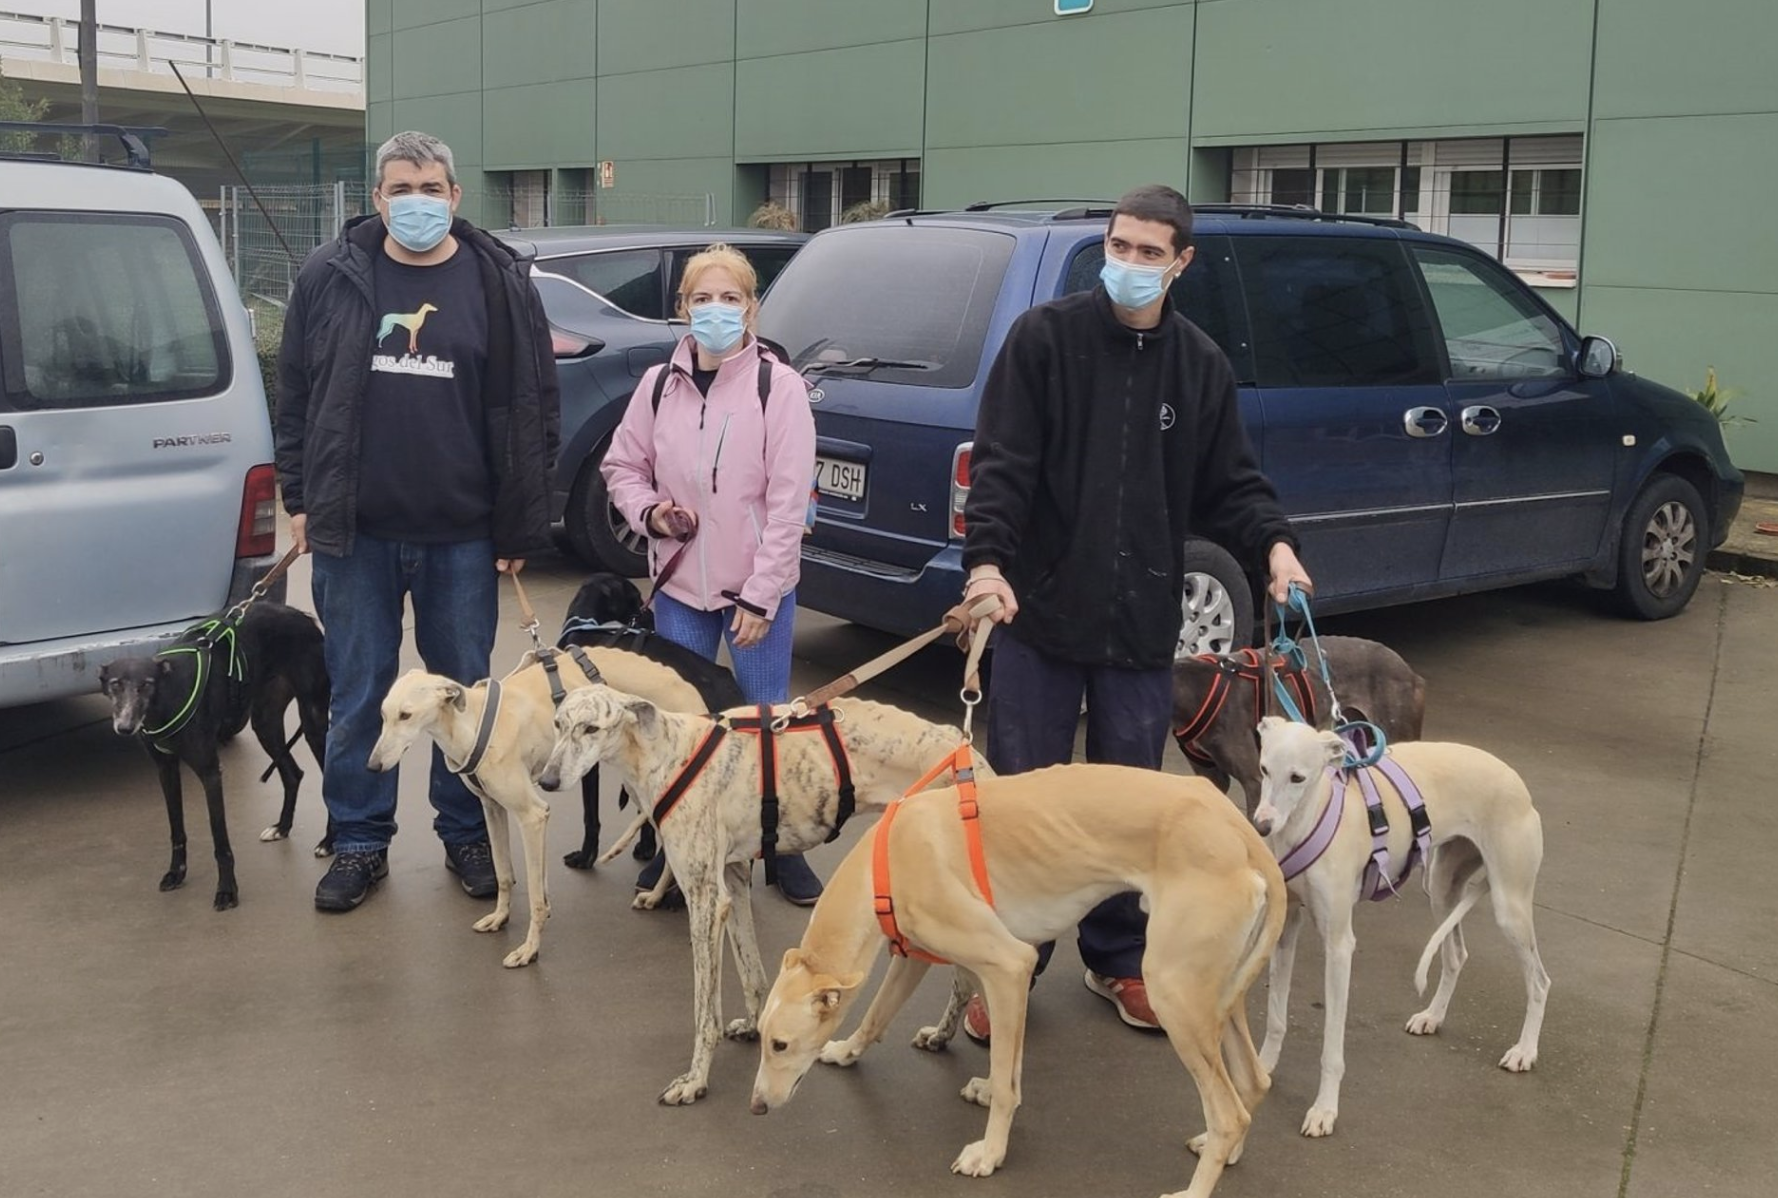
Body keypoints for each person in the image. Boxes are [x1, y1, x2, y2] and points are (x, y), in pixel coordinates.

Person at [958, 184, 1311, 1038]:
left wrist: (1274, 545)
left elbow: (1232, 482)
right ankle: (1009, 961)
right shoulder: (1043, 342)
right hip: (1036, 619)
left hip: (1139, 631)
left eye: (1151, 253)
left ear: (1181, 262)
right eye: (1120, 247)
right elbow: (1003, 466)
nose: (1130, 264)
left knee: (1129, 813)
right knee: (1024, 807)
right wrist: (989, 566)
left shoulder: (1198, 366)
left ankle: (1116, 960)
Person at [275, 131, 560, 912]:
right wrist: (301, 499)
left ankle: (465, 832)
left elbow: (533, 407)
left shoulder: (500, 283)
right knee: (360, 690)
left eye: (432, 188)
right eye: (402, 188)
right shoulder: (330, 278)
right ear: (377, 197)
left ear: (456, 196)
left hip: (462, 537)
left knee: (461, 696)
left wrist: (518, 526)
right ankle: (360, 841)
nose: (418, 202)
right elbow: (295, 396)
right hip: (355, 536)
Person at [601, 244, 823, 905]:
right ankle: (680, 856)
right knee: (681, 727)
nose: (717, 310)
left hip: (757, 591)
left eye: (732, 299)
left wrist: (761, 594)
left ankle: (783, 849)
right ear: (682, 308)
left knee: (763, 724)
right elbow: (621, 467)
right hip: (679, 590)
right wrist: (651, 514)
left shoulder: (775, 386)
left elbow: (789, 501)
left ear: (753, 308)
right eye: (704, 299)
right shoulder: (657, 385)